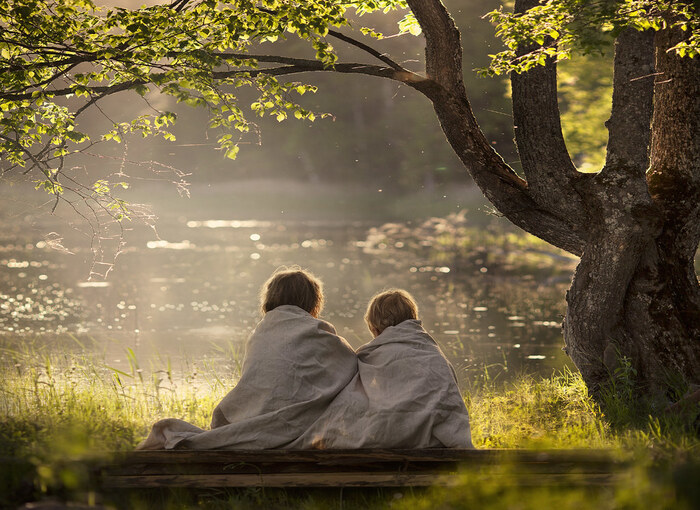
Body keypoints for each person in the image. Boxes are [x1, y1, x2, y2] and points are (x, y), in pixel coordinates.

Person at [138, 267, 357, 450]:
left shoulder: (261, 332)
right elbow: (351, 367)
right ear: (312, 301)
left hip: (256, 414)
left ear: (271, 299)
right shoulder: (317, 329)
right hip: (300, 423)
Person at [290, 289, 473, 449]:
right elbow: (449, 404)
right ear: (413, 320)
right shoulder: (433, 356)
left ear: (375, 329)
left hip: (379, 441)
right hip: (426, 443)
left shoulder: (368, 357)